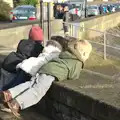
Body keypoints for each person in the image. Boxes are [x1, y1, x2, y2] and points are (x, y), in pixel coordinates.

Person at [0, 39, 92, 118]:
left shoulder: (66, 54)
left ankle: (9, 93)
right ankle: (16, 104)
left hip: (45, 67)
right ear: (84, 54)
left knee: (31, 84)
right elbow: (73, 75)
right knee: (37, 91)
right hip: (50, 73)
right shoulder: (77, 63)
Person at [0, 26, 44, 90]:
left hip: (8, 64)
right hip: (16, 75)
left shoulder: (22, 43)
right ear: (41, 40)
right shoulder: (38, 49)